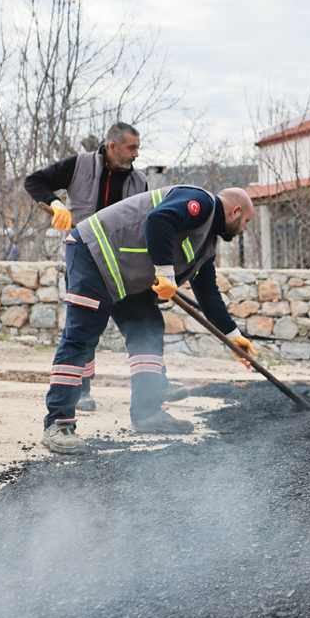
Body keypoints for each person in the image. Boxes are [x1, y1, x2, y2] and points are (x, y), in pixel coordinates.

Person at [42, 184, 256, 455]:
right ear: (235, 211)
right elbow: (159, 219)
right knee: (82, 336)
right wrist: (166, 273)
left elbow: (208, 292)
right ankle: (58, 424)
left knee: (149, 329)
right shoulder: (200, 202)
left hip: (124, 273)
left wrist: (232, 335)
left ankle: (147, 413)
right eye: (245, 222)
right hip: (93, 253)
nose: (243, 229)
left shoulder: (207, 243)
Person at [24, 122, 189, 411]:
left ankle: (156, 385)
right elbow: (34, 180)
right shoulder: (79, 165)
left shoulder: (139, 181)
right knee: (85, 329)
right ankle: (81, 389)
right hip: (85, 260)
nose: (136, 154)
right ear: (112, 147)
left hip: (124, 267)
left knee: (145, 324)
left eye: (138, 148)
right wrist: (56, 204)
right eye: (131, 148)